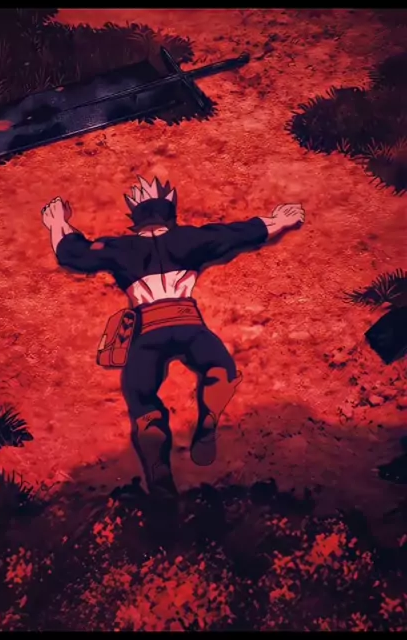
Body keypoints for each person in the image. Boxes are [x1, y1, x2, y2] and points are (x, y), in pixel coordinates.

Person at [42, 176, 305, 498]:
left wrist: (58, 222)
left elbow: (73, 254)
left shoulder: (119, 249)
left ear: (135, 217)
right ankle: (208, 419)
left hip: (148, 331)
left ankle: (158, 471)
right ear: (170, 213)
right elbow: (241, 233)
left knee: (141, 396)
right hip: (189, 325)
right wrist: (280, 220)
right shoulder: (190, 239)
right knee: (220, 368)